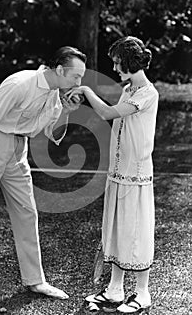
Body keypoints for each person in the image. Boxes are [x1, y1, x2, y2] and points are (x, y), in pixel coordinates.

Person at [0, 46, 87, 315]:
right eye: (76, 76)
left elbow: (53, 134)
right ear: (60, 70)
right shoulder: (19, 83)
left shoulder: (53, 95)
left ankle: (35, 281)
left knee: (28, 213)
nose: (79, 83)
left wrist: (67, 111)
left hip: (19, 150)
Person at [66, 36, 159, 314]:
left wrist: (84, 88)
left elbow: (107, 112)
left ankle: (142, 293)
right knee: (116, 230)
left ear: (131, 62)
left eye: (118, 63)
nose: (116, 68)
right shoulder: (129, 88)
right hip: (117, 173)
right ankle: (115, 290)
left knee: (137, 232)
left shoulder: (147, 93)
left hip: (137, 175)